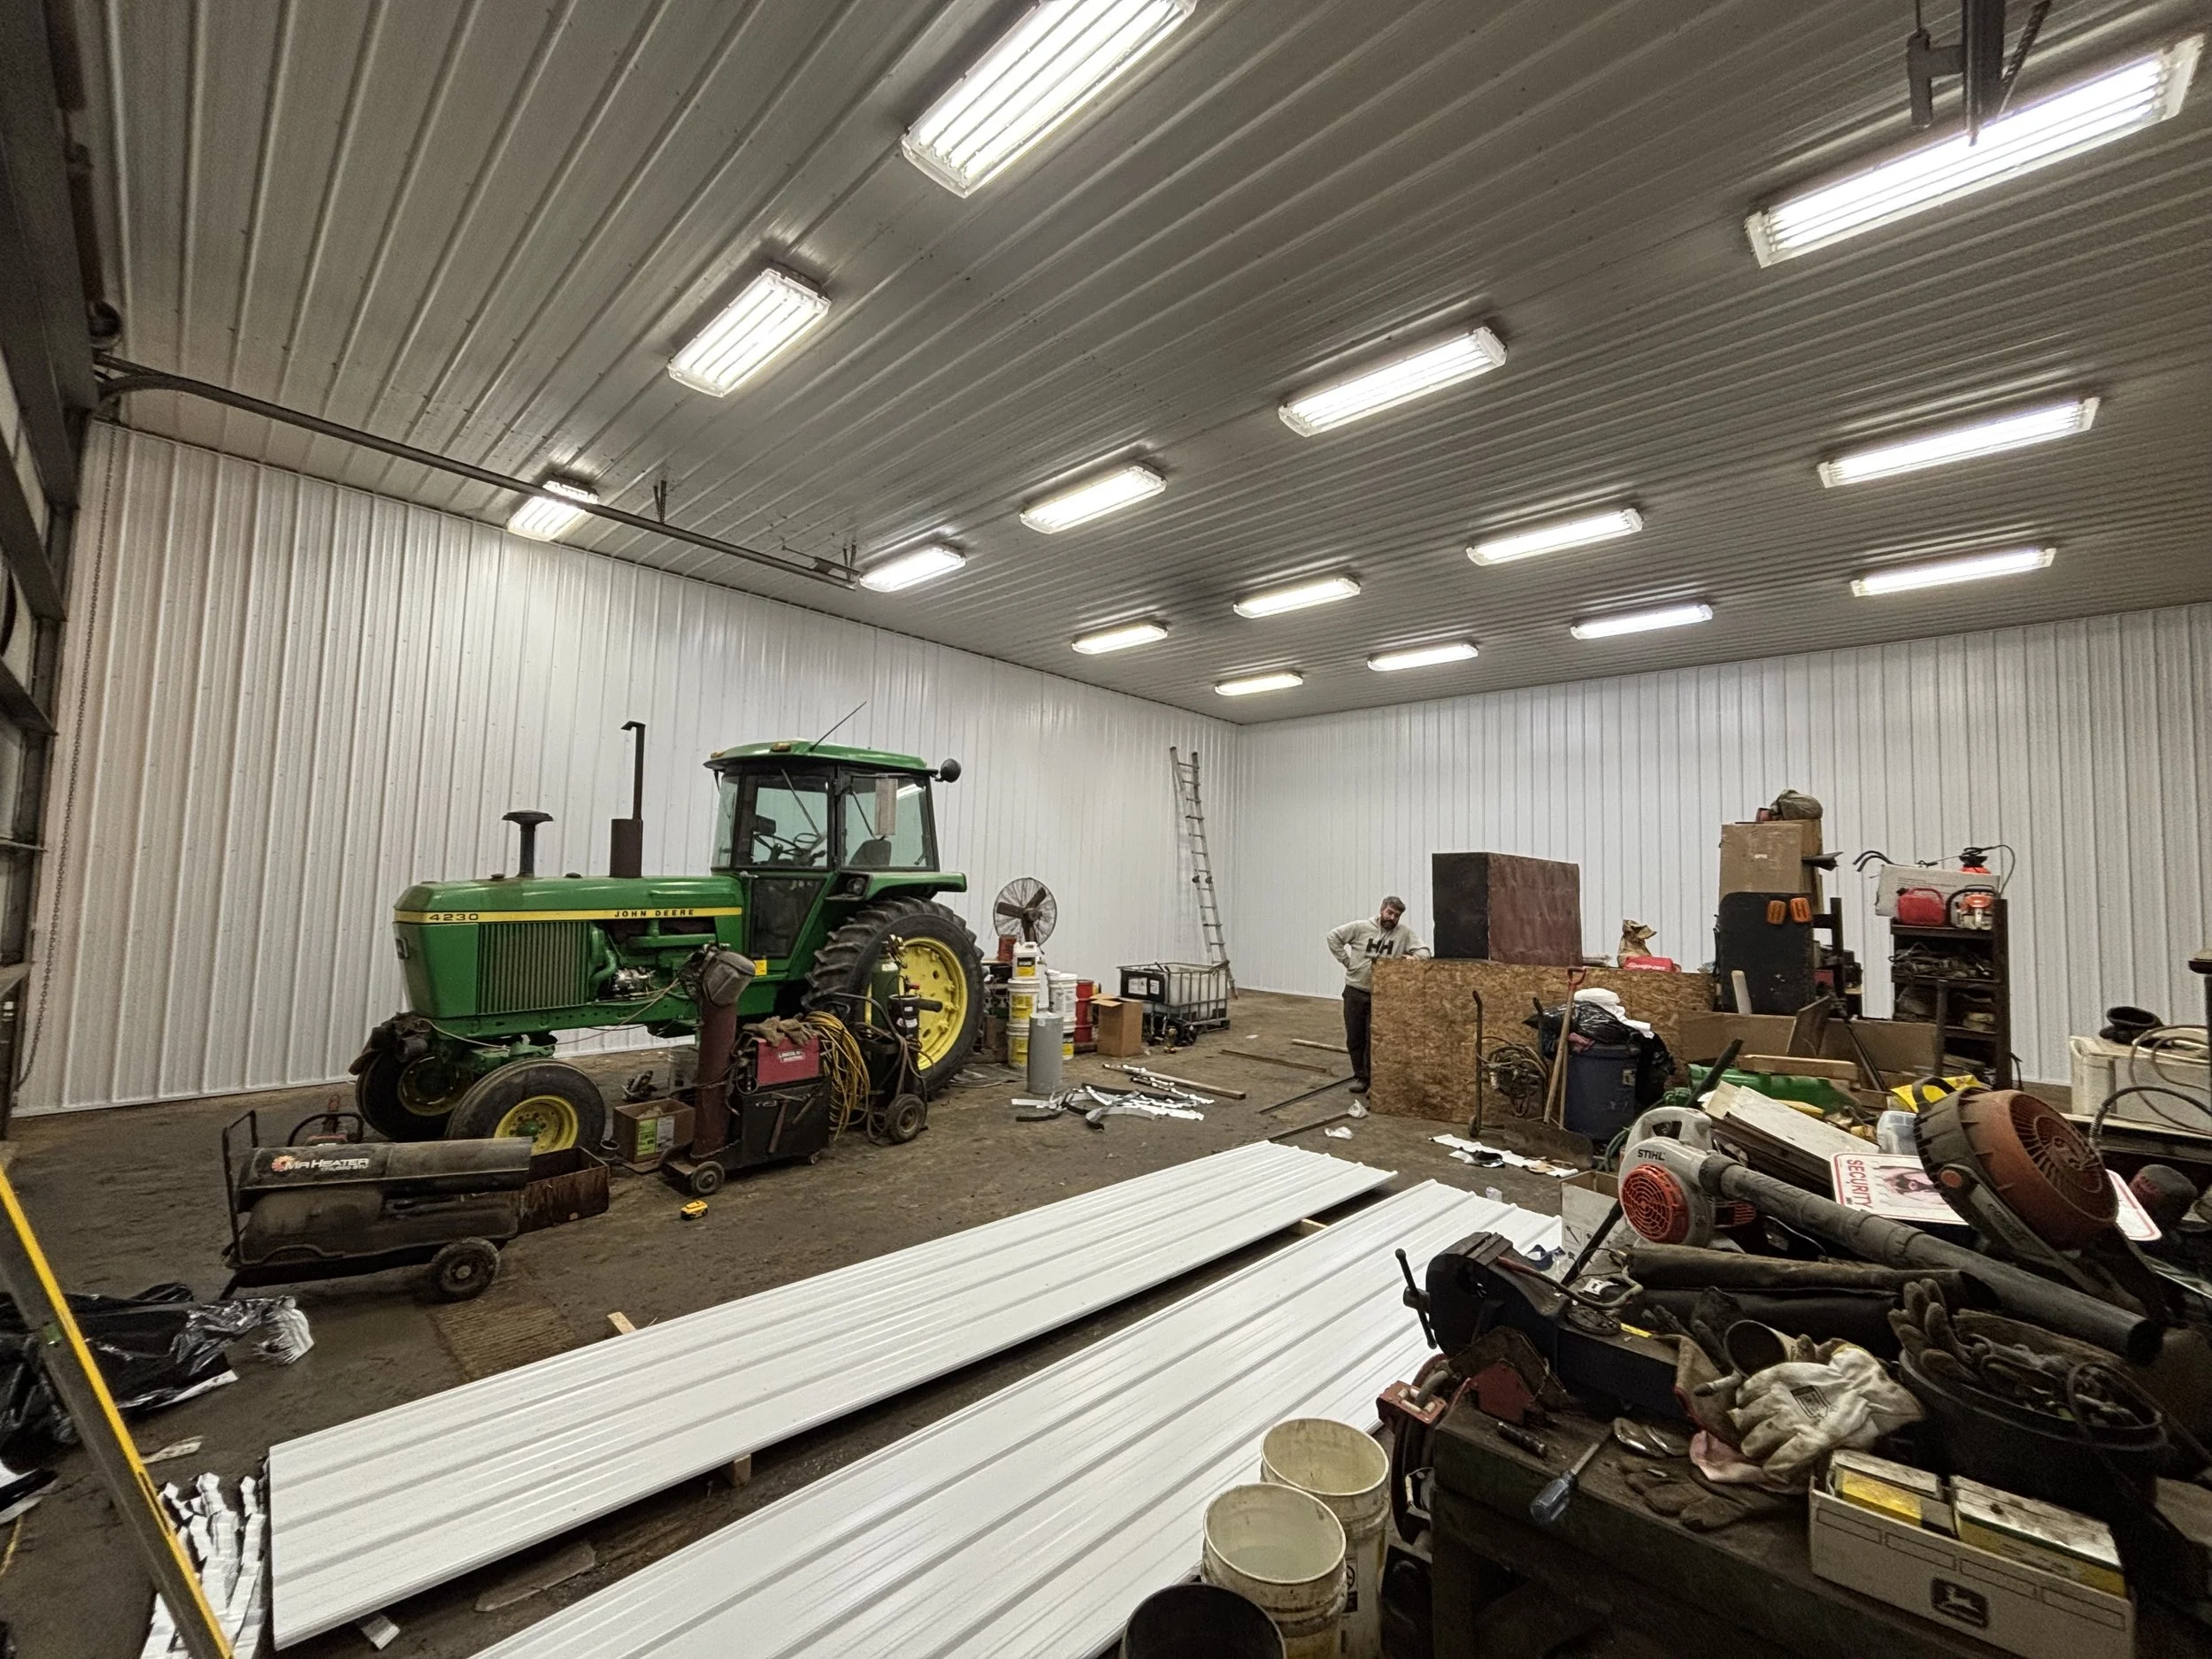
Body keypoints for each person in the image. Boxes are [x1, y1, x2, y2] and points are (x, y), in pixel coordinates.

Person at [1325, 897, 1430, 1094]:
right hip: (1355, 991)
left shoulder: (1403, 934)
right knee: (1355, 1038)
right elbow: (1333, 936)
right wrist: (1346, 962)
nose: (1392, 918)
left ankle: (1376, 1079)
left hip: (1382, 996)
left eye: (1397, 915)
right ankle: (1361, 1077)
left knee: (1376, 1038)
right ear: (1381, 910)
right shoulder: (1361, 928)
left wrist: (1414, 958)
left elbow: (1424, 951)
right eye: (1389, 912)